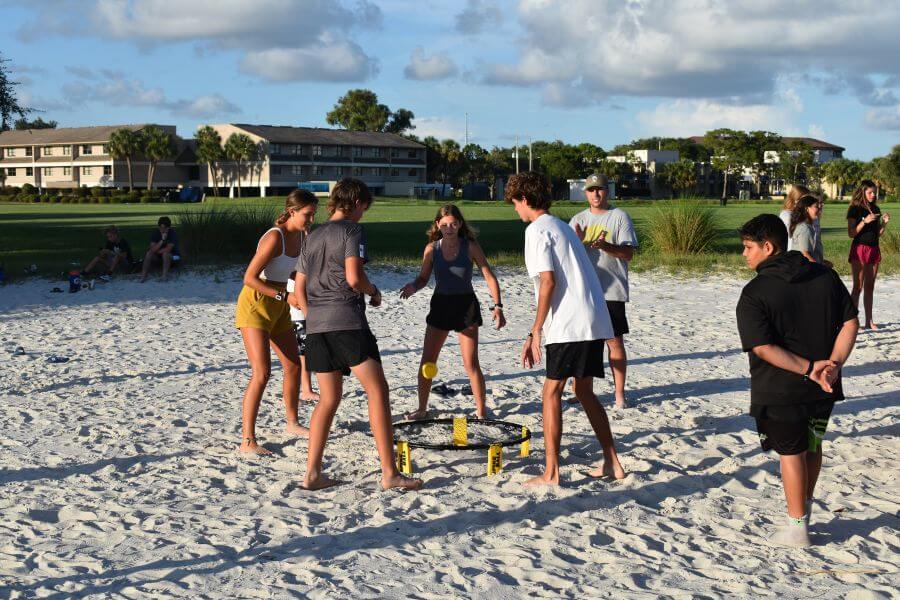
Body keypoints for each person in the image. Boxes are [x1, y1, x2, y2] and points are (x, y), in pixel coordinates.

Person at [736, 214, 858, 548]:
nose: (743, 254)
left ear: (768, 246)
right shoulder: (825, 275)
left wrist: (809, 368)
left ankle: (797, 527)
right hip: (825, 386)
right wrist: (833, 364)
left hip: (781, 389)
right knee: (813, 446)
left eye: (748, 247)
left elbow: (763, 348)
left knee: (792, 454)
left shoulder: (754, 292)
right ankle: (801, 510)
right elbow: (850, 323)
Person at [294, 178, 422, 492]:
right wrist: (374, 292)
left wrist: (316, 318)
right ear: (356, 203)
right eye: (364, 207)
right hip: (347, 322)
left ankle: (312, 473)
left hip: (316, 327)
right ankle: (389, 473)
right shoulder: (352, 230)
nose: (364, 214)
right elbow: (354, 277)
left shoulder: (312, 235)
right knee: (378, 392)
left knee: (328, 400)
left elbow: (298, 288)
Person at [505, 171, 626, 487]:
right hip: (593, 319)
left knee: (551, 393)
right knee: (583, 390)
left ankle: (552, 472)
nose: (515, 210)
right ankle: (612, 461)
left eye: (515, 203)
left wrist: (535, 331)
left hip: (570, 323)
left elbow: (548, 282)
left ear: (526, 200)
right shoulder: (562, 226)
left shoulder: (537, 230)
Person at [399, 204, 506, 419]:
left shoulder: (470, 246)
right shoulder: (431, 249)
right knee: (427, 361)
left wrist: (498, 306)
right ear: (438, 225)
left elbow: (488, 275)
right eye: (445, 224)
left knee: (471, 363)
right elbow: (422, 279)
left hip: (466, 306)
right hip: (441, 305)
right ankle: (422, 409)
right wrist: (413, 286)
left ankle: (481, 411)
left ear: (460, 224)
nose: (449, 228)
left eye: (453, 224)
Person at [234, 191, 318, 454]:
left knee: (293, 365)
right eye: (307, 214)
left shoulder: (303, 236)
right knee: (262, 372)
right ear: (292, 212)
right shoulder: (274, 237)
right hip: (256, 304)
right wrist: (285, 295)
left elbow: (292, 271)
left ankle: (292, 422)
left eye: (314, 213)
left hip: (281, 304)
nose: (312, 219)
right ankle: (247, 440)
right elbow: (248, 277)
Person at [569, 173, 638, 408]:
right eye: (591, 190)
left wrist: (606, 246)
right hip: (584, 290)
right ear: (585, 193)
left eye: (599, 189)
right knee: (584, 343)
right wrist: (577, 242)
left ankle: (619, 394)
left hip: (611, 291)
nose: (595, 194)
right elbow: (567, 257)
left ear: (607, 190)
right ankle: (581, 391)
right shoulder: (578, 219)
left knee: (614, 341)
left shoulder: (619, 217)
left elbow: (629, 254)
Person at [846, 180, 891, 329]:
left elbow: (877, 234)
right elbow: (851, 233)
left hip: (874, 249)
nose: (873, 195)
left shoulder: (875, 208)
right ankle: (853, 321)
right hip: (860, 249)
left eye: (874, 192)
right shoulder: (855, 209)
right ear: (863, 192)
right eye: (870, 192)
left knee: (870, 286)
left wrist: (884, 223)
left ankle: (869, 321)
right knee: (857, 287)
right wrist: (864, 221)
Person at [286, 271, 320, 403]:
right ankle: (306, 390)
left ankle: (307, 389)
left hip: (305, 300)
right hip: (299, 308)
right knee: (304, 351)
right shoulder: (300, 255)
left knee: (305, 350)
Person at [789, 194, 831, 267]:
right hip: (804, 271)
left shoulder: (805, 226)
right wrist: (820, 268)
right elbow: (805, 254)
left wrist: (822, 262)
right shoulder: (804, 228)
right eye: (816, 207)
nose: (819, 209)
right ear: (806, 209)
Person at [140, 216, 181, 282]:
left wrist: (156, 251)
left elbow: (168, 249)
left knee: (165, 254)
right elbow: (152, 249)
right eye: (160, 228)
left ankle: (164, 276)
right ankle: (143, 276)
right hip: (159, 255)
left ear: (168, 228)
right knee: (148, 253)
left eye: (164, 228)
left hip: (174, 256)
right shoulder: (156, 233)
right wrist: (162, 240)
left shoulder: (173, 234)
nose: (162, 230)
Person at [778, 184, 812, 252]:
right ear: (796, 200)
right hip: (791, 254)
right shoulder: (786, 215)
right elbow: (789, 238)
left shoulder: (802, 213)